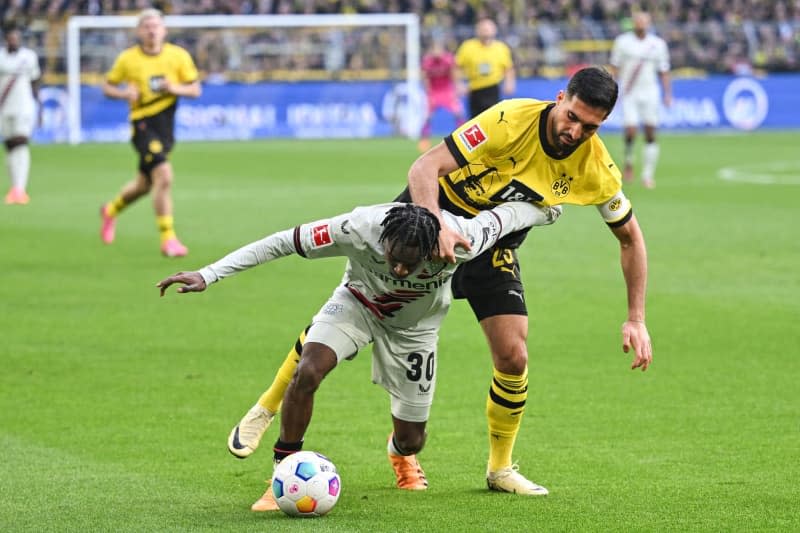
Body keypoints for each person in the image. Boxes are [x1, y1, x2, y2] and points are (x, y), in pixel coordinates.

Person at [226, 66, 653, 501]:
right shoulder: (509, 119)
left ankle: (498, 468)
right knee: (351, 313)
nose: (576, 131)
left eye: (590, 127)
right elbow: (426, 166)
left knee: (513, 355)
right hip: (420, 230)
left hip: (487, 243)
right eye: (572, 117)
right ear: (560, 98)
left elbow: (630, 238)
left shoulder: (596, 167)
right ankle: (267, 406)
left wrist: (636, 318)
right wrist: (436, 225)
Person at [157, 200, 562, 511]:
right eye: (394, 259)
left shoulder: (460, 238)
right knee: (308, 371)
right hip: (357, 306)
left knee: (413, 437)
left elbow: (508, 215)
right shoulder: (356, 228)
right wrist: (209, 274)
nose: (401, 270)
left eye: (411, 263)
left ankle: (399, 454)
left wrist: (548, 212)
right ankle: (283, 470)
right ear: (383, 241)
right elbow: (282, 241)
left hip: (416, 332)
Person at [99, 8, 201, 257]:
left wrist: (173, 87)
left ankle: (110, 210)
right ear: (139, 31)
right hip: (142, 123)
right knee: (164, 176)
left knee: (145, 185)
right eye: (147, 26)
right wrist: (125, 94)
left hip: (165, 126)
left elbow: (195, 89)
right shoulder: (128, 59)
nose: (152, 30)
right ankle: (169, 239)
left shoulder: (178, 56)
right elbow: (107, 86)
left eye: (156, 26)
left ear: (164, 30)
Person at [609, 11, 672, 189]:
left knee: (651, 132)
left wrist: (668, 94)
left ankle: (647, 174)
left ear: (649, 23)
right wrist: (611, 90)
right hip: (629, 93)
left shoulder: (658, 44)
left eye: (644, 21)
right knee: (630, 130)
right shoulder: (622, 42)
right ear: (633, 23)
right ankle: (629, 160)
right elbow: (614, 67)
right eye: (638, 21)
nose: (641, 24)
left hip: (650, 93)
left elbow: (664, 71)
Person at [1, 22, 41, 205]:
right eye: (11, 37)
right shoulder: (0, 58)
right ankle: (15, 187)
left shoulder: (29, 57)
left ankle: (20, 188)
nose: (14, 40)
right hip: (4, 107)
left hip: (23, 107)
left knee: (21, 142)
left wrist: (39, 107)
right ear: (6, 39)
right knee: (10, 146)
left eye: (16, 37)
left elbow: (35, 82)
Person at [454, 17, 515, 118]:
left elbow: (508, 68)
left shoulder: (501, 48)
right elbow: (457, 67)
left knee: (493, 120)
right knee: (475, 121)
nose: (485, 31)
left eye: (488, 28)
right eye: (482, 28)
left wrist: (509, 83)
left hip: (493, 88)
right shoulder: (468, 46)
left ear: (494, 30)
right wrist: (459, 83)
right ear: (477, 30)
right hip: (474, 89)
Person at [417, 39, 465, 153]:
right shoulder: (427, 62)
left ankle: (462, 138)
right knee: (428, 116)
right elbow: (425, 78)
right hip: (434, 91)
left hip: (447, 90)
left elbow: (454, 73)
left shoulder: (448, 59)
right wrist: (428, 93)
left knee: (458, 113)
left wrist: (457, 87)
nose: (436, 52)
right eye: (434, 50)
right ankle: (424, 140)